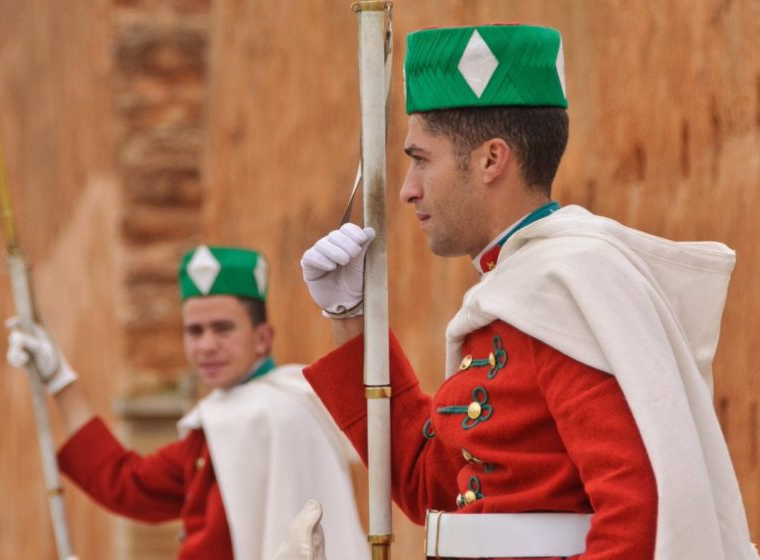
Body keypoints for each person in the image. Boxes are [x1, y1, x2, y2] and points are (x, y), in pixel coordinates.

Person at [299, 24, 757, 559]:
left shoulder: (569, 288)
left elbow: (641, 517)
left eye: (421, 159)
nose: (407, 188)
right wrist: (349, 316)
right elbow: (431, 483)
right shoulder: (519, 286)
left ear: (492, 159)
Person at [7, 245, 368, 560]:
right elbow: (128, 485)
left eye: (222, 328)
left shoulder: (279, 410)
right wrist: (60, 379)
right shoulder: (224, 422)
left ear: (263, 338)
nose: (206, 345)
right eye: (194, 331)